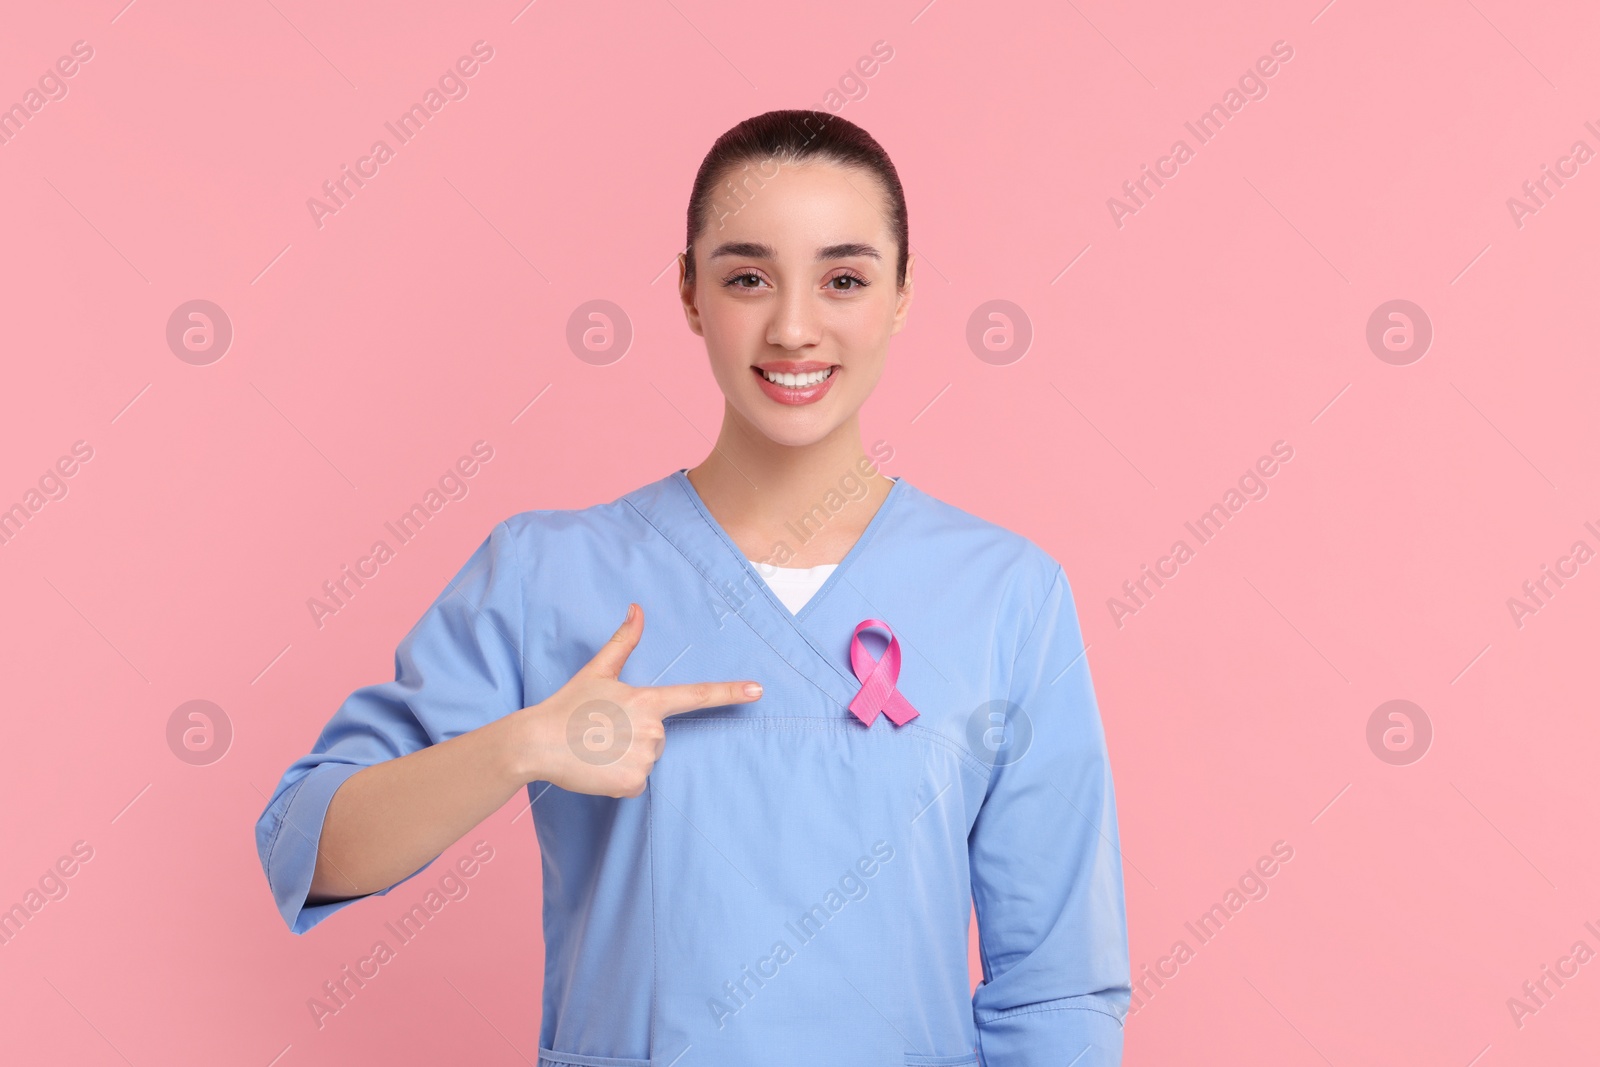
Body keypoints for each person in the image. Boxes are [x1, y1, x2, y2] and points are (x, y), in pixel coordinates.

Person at [255, 108, 1131, 1066]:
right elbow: (313, 845)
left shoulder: (1007, 595)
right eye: (748, 277)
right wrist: (521, 745)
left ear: (902, 294)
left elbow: (1057, 983)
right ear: (688, 291)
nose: (794, 327)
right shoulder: (550, 573)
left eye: (844, 279)